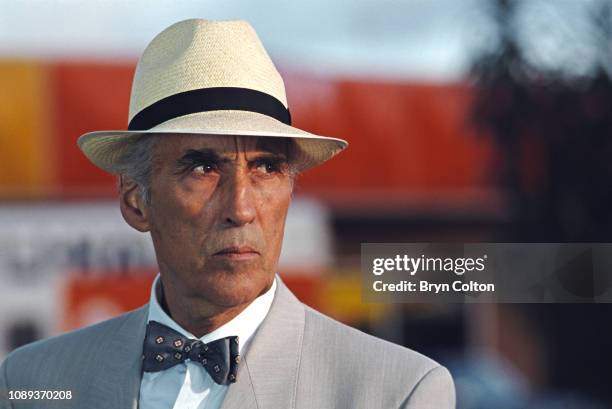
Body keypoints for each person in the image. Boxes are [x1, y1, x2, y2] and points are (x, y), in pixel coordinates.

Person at [0, 19, 455, 409]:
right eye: (203, 167)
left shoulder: (398, 393)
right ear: (136, 200)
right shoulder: (32, 382)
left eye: (266, 166)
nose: (241, 208)